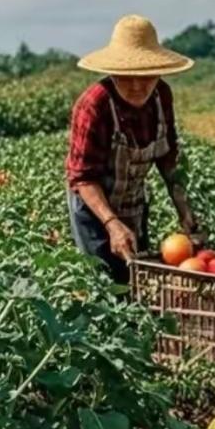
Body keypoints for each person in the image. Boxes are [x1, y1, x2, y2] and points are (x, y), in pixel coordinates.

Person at [66, 15, 201, 284]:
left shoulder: (162, 96)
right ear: (114, 73)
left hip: (134, 200)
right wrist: (112, 224)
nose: (138, 86)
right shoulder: (94, 105)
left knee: (135, 279)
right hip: (93, 208)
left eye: (146, 76)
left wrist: (184, 209)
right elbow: (83, 178)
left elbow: (168, 157)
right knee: (104, 284)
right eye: (128, 78)